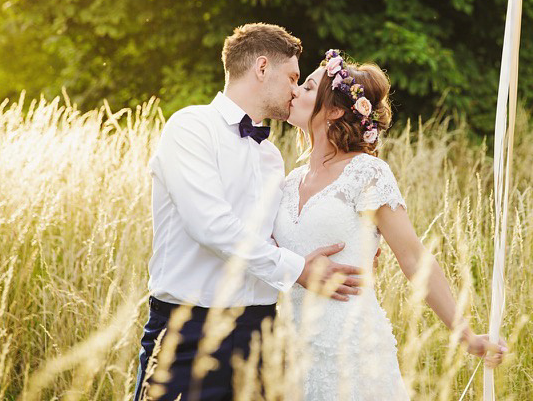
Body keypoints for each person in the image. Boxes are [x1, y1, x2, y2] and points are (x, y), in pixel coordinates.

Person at [133, 24, 364, 401]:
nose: (295, 89)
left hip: (260, 331)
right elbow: (211, 226)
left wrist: (357, 240)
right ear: (261, 67)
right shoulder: (191, 128)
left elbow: (279, 234)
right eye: (292, 77)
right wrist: (298, 269)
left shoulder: (272, 157)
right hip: (187, 331)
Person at [273, 49, 508, 400]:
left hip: (352, 351)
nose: (295, 92)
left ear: (334, 110)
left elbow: (413, 258)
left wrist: (467, 335)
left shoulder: (367, 173)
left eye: (307, 87)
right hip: (291, 351)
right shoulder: (289, 180)